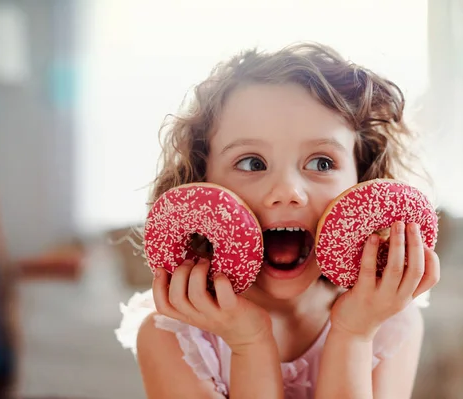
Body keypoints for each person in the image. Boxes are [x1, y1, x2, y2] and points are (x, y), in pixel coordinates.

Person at [115, 42, 440, 399]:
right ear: (202, 183)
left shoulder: (389, 322)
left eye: (321, 163)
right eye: (252, 163)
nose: (287, 191)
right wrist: (249, 343)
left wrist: (354, 334)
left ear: (362, 180)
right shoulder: (173, 337)